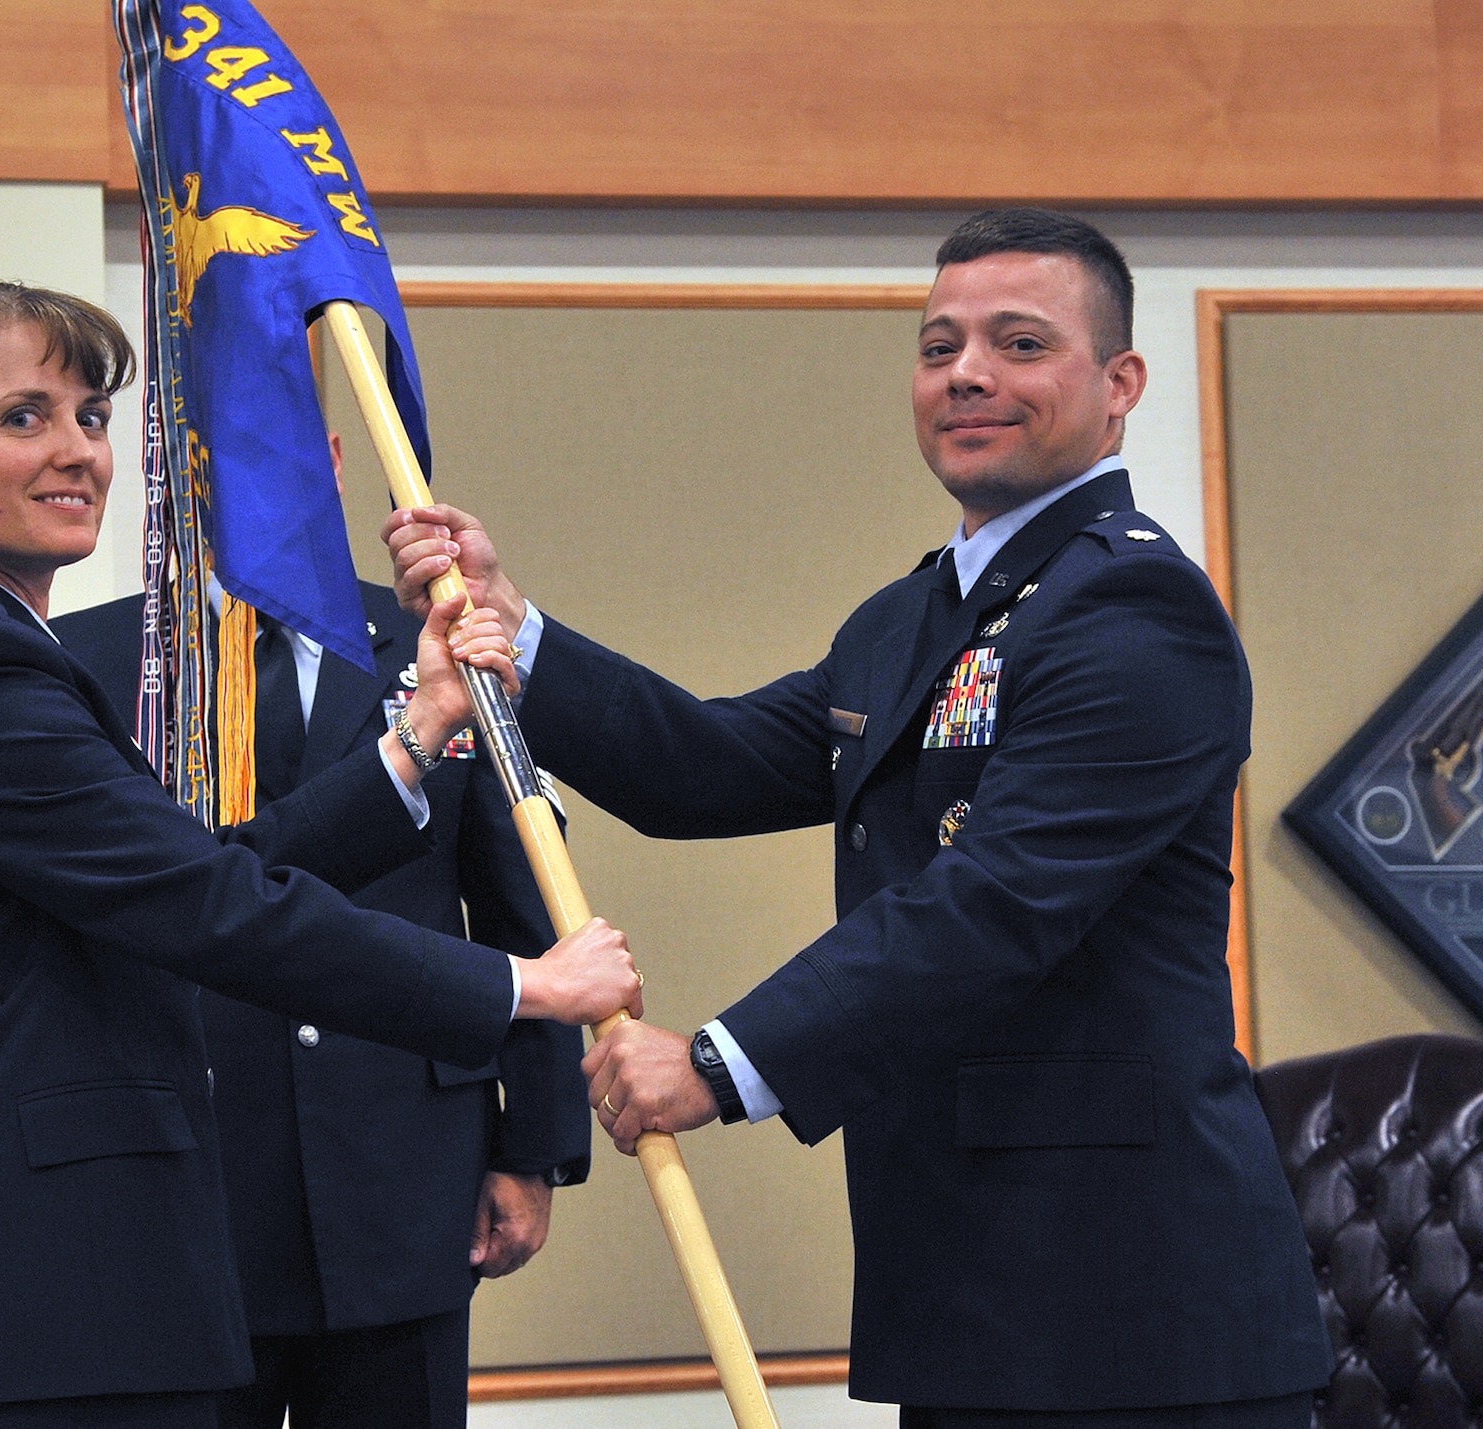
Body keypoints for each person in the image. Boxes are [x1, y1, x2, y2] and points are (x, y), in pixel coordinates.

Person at [387, 211, 1332, 1427]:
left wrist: (718, 1065)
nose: (967, 374)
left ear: (1119, 383)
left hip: (1131, 1306)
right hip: (963, 1289)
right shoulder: (913, 616)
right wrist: (512, 629)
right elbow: (706, 765)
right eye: (938, 348)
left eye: (1018, 342)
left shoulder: (1134, 605)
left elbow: (989, 905)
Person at [0, 280, 640, 1429]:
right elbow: (211, 904)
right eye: (23, 417)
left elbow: (209, 870)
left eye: (92, 419)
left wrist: (412, 740)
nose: (74, 453)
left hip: (149, 1275)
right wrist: (522, 984)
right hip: (46, 1292)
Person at [56, 472, 589, 1424]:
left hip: (406, 1179)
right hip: (191, 1183)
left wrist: (534, 1149)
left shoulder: (439, 636)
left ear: (331, 453)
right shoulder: (92, 658)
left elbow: (519, 901)